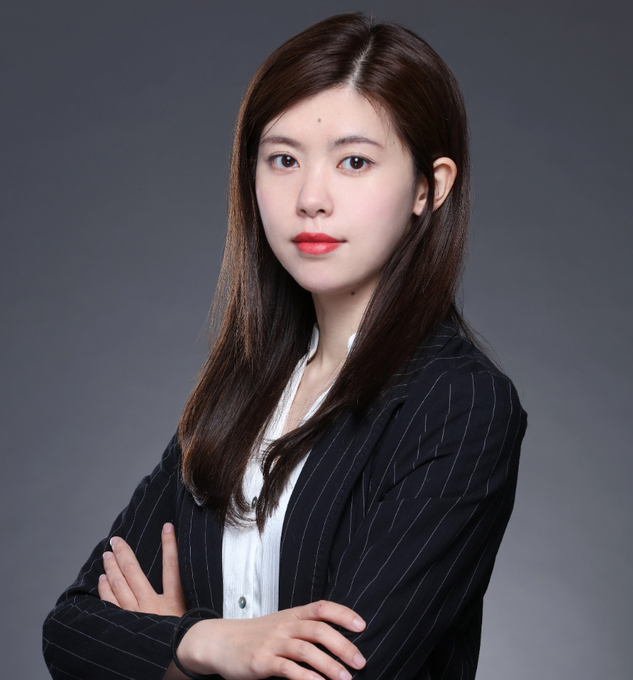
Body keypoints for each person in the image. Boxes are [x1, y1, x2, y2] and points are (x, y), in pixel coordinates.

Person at [43, 12, 526, 680]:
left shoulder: (459, 404)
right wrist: (212, 642)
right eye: (283, 160)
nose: (311, 198)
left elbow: (347, 672)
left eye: (354, 162)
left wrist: (170, 651)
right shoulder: (237, 393)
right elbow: (70, 633)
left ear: (429, 187)